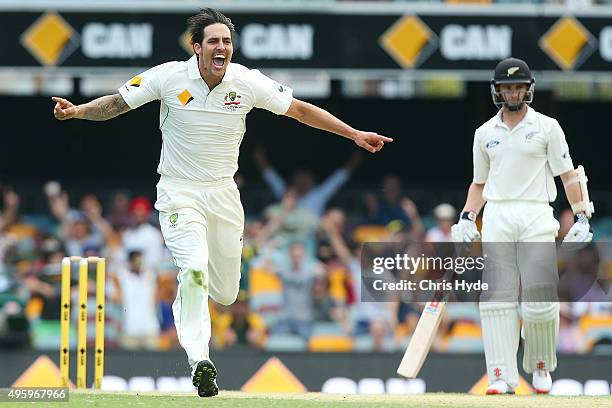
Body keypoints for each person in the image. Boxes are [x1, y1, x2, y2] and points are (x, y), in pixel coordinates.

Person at [51, 8, 392, 397]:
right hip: (179, 191)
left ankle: (195, 305)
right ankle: (201, 361)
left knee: (227, 293)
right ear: (196, 47)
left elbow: (299, 110)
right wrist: (77, 111)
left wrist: (353, 134)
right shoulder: (168, 77)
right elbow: (115, 103)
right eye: (213, 40)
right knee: (193, 269)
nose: (221, 47)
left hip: (224, 194)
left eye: (227, 41)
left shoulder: (246, 82)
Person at [451, 57, 594, 395]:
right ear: (497, 91)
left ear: (528, 90)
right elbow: (479, 184)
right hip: (498, 215)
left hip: (536, 213)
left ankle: (541, 365)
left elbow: (568, 174)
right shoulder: (484, 133)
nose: (512, 93)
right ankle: (500, 375)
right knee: (498, 300)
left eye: (517, 87)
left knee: (540, 300)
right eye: (506, 87)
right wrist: (466, 217)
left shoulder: (548, 127)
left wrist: (581, 214)